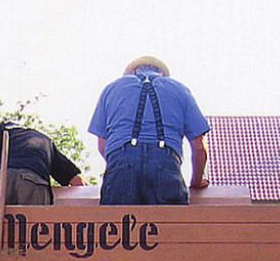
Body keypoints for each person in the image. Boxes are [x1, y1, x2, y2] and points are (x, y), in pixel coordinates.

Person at [88, 56, 210, 205]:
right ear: (163, 74)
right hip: (166, 163)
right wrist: (196, 182)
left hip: (121, 163)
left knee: (119, 226)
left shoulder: (111, 89)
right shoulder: (180, 89)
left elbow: (102, 145)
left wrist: (123, 165)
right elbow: (199, 147)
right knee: (170, 226)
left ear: (132, 72)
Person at [0, 121, 84, 205]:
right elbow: (78, 182)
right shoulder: (44, 141)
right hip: (34, 181)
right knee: (31, 233)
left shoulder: (2, 130)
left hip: (0, 180)